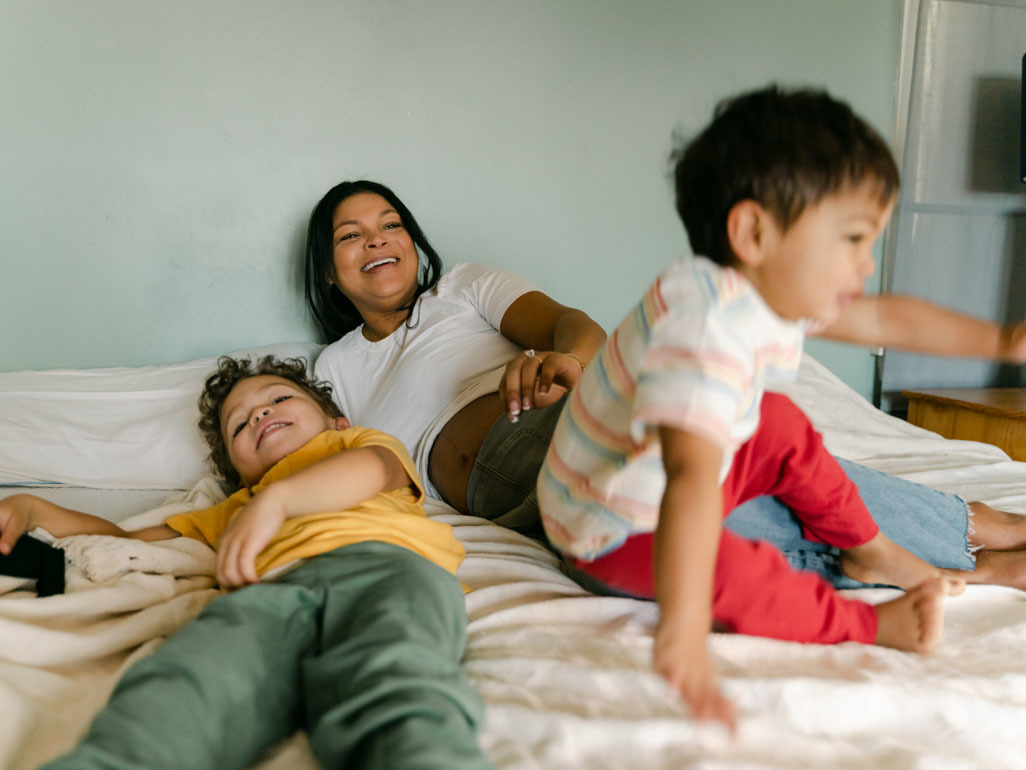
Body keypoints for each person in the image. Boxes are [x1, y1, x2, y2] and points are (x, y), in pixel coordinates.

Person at [534, 85, 999, 728]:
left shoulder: (753, 286)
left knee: (781, 422)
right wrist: (683, 631)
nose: (866, 266)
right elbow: (692, 480)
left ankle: (868, 546)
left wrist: (1005, 340)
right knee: (731, 567)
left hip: (655, 483)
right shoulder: (703, 332)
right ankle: (864, 621)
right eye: (855, 239)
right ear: (754, 232)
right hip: (609, 528)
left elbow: (887, 316)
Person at [304, 179, 1026, 591]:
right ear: (329, 269)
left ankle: (976, 525)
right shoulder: (330, 371)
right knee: (671, 546)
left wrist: (565, 365)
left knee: (722, 471)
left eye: (390, 223)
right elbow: (316, 460)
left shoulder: (462, 289)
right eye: (350, 233)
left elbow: (573, 327)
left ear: (413, 241)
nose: (376, 238)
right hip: (512, 503)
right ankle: (968, 566)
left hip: (556, 423)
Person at [0, 356, 490, 770]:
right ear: (239, 472)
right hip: (270, 592)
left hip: (388, 572)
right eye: (240, 423)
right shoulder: (236, 507)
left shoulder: (357, 444)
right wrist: (35, 508)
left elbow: (368, 472)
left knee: (398, 686)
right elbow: (124, 538)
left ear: (336, 420)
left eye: (279, 399)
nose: (260, 415)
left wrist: (276, 504)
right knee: (180, 692)